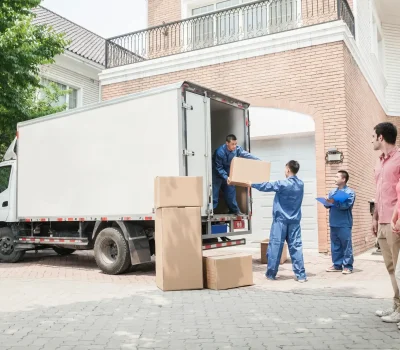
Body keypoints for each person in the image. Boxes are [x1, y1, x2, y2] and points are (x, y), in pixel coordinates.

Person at [248, 160, 307, 282]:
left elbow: (267, 186)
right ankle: (301, 275)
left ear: (288, 169)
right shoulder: (301, 184)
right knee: (296, 247)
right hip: (294, 221)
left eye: (285, 168)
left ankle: (271, 274)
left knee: (275, 247)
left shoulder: (283, 184)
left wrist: (251, 184)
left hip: (280, 221)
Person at [372, 122, 400, 324]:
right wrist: (374, 217)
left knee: (398, 269)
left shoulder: (399, 159)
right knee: (391, 268)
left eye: (373, 136)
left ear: (381, 137)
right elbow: (378, 193)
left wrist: (395, 218)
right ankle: (396, 306)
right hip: (381, 221)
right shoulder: (380, 162)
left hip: (395, 222)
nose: (372, 140)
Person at [212, 134, 259, 215]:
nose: (234, 146)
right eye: (232, 144)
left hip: (227, 170)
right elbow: (218, 167)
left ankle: (234, 210)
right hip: (217, 172)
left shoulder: (237, 149)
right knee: (214, 192)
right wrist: (226, 177)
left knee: (230, 191)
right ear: (227, 143)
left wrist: (258, 160)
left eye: (235, 144)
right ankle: (211, 210)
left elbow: (246, 154)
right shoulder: (220, 152)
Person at [325, 170, 355, 275]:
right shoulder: (332, 192)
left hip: (344, 223)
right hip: (334, 222)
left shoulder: (350, 193)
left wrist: (335, 202)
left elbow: (346, 206)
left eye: (337, 176)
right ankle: (337, 265)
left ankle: (348, 266)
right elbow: (327, 205)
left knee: (346, 245)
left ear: (344, 179)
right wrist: (327, 202)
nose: (335, 178)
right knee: (335, 245)